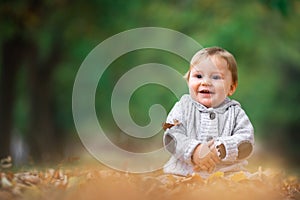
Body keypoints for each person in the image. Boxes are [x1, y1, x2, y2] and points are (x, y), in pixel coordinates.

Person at [162, 46, 254, 178]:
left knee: (250, 184)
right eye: (198, 76)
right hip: (184, 174)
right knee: (164, 186)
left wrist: (222, 149)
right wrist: (194, 150)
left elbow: (246, 141)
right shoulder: (183, 107)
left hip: (227, 175)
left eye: (216, 77)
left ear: (231, 87)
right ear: (188, 81)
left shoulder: (235, 113)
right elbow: (172, 136)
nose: (205, 82)